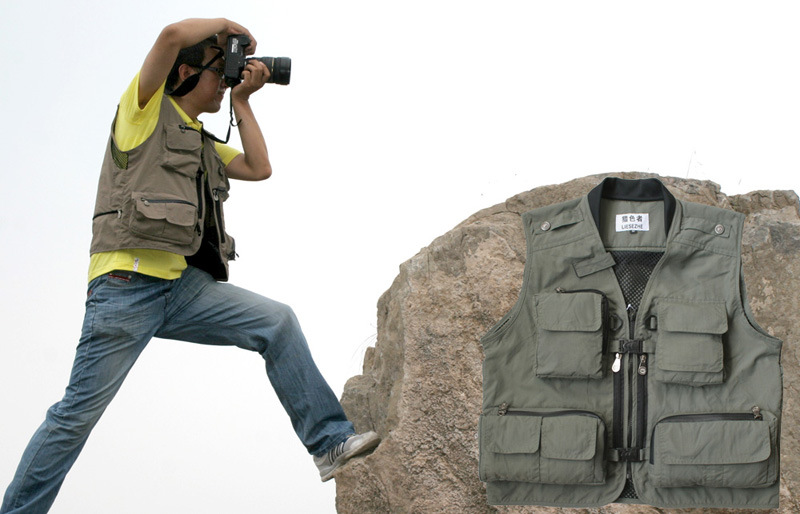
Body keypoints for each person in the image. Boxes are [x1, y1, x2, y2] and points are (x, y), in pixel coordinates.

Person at [1, 18, 379, 514]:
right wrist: (225, 29)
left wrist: (242, 101)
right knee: (75, 418)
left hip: (180, 289)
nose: (225, 79)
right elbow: (170, 37)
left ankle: (329, 443)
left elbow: (259, 167)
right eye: (219, 71)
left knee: (278, 322)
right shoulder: (142, 113)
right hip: (126, 287)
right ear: (185, 73)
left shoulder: (203, 141)